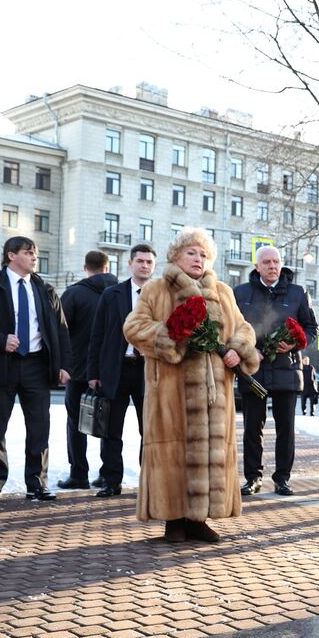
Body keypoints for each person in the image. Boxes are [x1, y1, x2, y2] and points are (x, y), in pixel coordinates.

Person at [123, 228, 260, 543]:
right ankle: (174, 520)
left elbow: (244, 328)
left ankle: (200, 519)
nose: (198, 259)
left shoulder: (222, 292)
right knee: (174, 451)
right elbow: (134, 327)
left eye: (203, 254)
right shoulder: (157, 289)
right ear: (175, 256)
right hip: (171, 390)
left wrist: (237, 350)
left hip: (215, 394)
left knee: (210, 452)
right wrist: (174, 332)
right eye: (191, 253)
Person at [0, 236, 71, 502]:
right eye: (29, 252)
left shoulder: (45, 289)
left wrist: (65, 365)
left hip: (36, 365)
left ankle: (37, 483)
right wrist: (0, 340)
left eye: (36, 253)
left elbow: (61, 329)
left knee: (39, 427)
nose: (34, 258)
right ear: (11, 255)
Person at [232, 245, 318, 497]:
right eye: (266, 262)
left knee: (286, 429)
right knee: (251, 428)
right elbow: (233, 329)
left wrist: (296, 342)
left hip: (287, 370)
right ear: (257, 266)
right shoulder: (241, 293)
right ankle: (253, 477)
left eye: (276, 261)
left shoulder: (298, 293)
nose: (272, 266)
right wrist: (247, 351)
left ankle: (282, 478)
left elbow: (311, 328)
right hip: (253, 369)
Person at [86, 244, 156, 498]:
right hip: (116, 369)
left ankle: (148, 479)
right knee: (111, 430)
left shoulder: (161, 295)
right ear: (130, 263)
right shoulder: (111, 294)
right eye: (140, 261)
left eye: (149, 262)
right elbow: (98, 335)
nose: (145, 266)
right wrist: (93, 372)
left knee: (149, 430)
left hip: (149, 372)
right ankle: (111, 480)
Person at [57, 249, 117, 490]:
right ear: (107, 267)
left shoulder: (73, 294)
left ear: (85, 268)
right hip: (111, 369)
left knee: (75, 423)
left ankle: (79, 474)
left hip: (79, 369)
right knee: (110, 423)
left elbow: (60, 330)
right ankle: (106, 474)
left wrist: (63, 364)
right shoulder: (120, 293)